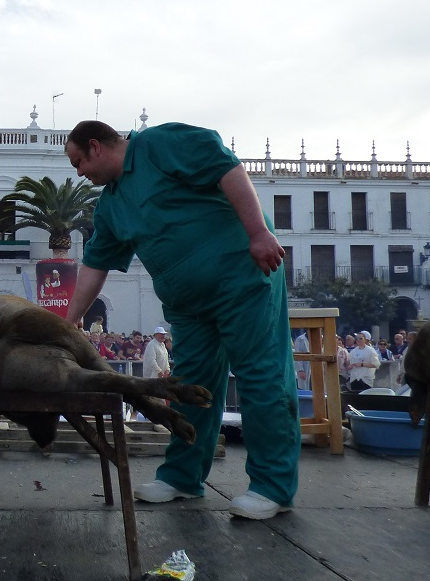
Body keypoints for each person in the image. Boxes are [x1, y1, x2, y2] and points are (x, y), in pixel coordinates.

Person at [63, 120, 297, 520]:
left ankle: (272, 486)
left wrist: (258, 232)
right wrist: (68, 324)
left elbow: (229, 169)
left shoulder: (159, 143)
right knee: (189, 385)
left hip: (240, 276)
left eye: (78, 162)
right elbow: (94, 266)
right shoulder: (111, 205)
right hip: (188, 305)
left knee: (261, 374)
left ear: (96, 146)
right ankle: (183, 477)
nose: (79, 173)